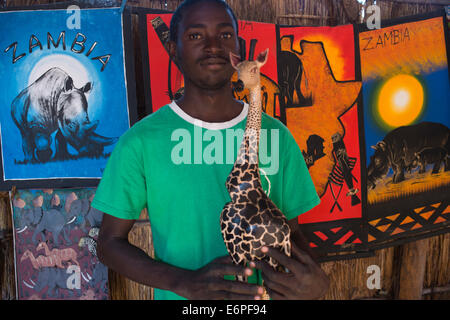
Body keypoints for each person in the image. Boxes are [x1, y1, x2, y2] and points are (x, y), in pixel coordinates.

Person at [92, 0, 329, 300]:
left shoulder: (276, 136)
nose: (213, 46)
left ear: (237, 50)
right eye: (195, 36)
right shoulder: (141, 142)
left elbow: (290, 235)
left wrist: (316, 282)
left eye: (225, 35)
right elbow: (109, 243)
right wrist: (183, 282)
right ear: (174, 50)